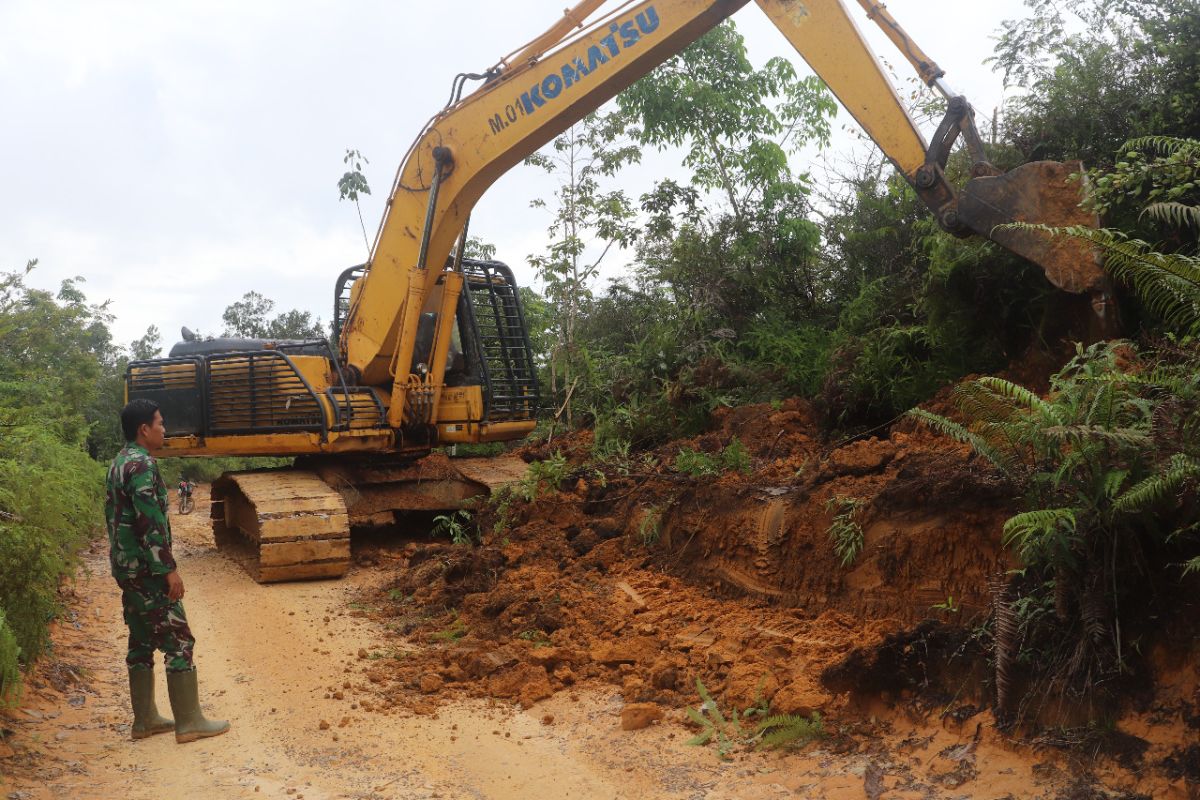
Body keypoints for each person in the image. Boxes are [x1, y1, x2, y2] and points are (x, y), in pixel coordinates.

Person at [106, 398, 230, 743]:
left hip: (126, 567)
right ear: (144, 429)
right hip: (148, 569)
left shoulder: (119, 462)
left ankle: (145, 720)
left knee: (141, 639)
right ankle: (189, 722)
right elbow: (151, 523)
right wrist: (169, 570)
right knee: (178, 639)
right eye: (160, 423)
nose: (164, 429)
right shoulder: (142, 465)